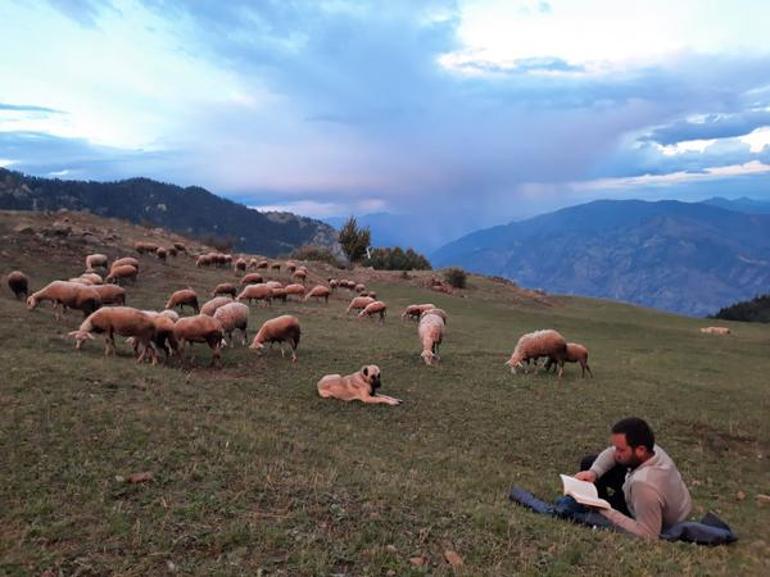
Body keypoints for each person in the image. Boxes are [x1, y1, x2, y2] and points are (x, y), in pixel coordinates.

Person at [574, 417, 692, 539]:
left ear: (640, 450)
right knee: (589, 463)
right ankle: (595, 500)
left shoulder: (644, 485)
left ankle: (593, 507)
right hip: (670, 503)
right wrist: (593, 473)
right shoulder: (651, 450)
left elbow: (649, 534)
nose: (616, 453)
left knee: (598, 509)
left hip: (659, 517)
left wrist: (602, 509)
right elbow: (612, 453)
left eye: (621, 450)